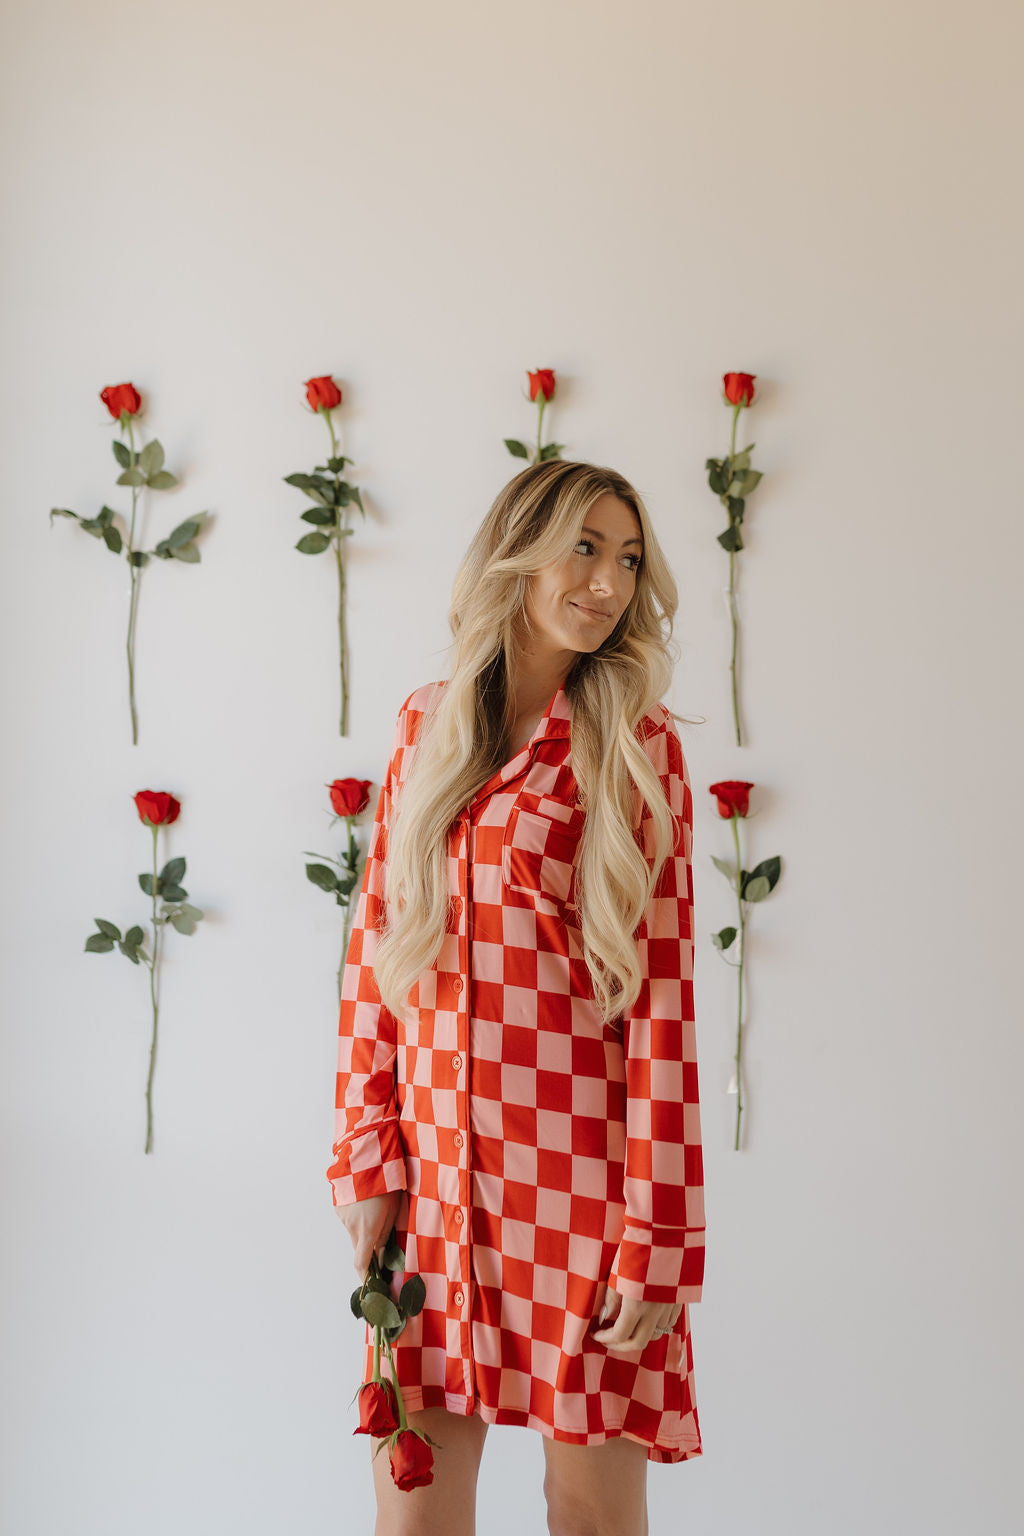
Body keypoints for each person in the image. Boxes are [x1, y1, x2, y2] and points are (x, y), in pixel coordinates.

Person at [326, 459, 706, 1536]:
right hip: (435, 1186)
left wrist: (660, 1239)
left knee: (585, 1515)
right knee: (414, 1514)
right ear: (519, 554)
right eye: (583, 547)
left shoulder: (640, 746)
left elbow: (664, 1001)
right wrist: (367, 1154)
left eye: (627, 558)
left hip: (584, 1190)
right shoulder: (427, 726)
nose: (607, 581)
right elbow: (374, 958)